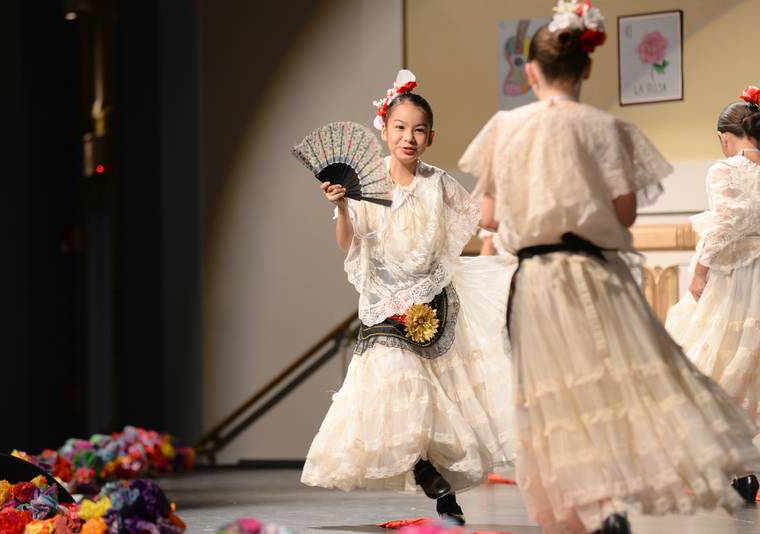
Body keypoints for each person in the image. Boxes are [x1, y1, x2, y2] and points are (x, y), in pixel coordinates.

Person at [459, 2, 760, 533]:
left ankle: (574, 506)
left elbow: (488, 215)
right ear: (587, 68)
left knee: (553, 391)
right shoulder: (607, 128)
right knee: (609, 382)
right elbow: (625, 214)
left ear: (530, 72)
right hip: (596, 273)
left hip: (536, 279)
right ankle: (611, 498)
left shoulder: (505, 129)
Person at [301, 70, 516, 526]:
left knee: (436, 397)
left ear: (431, 136)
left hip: (430, 298)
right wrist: (341, 206)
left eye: (419, 129)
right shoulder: (365, 182)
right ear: (385, 129)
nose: (409, 137)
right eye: (400, 127)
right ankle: (426, 472)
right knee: (398, 383)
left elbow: (468, 225)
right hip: (384, 303)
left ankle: (437, 480)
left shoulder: (438, 184)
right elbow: (349, 243)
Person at [666, 85, 760, 500]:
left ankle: (738, 465)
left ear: (725, 135)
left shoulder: (725, 169)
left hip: (737, 279)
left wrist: (700, 271)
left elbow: (724, 225)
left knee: (720, 365)